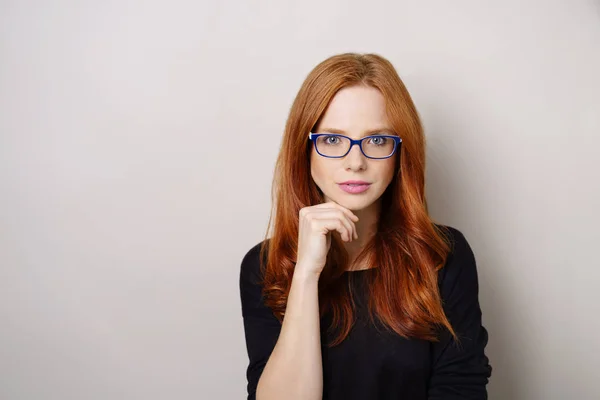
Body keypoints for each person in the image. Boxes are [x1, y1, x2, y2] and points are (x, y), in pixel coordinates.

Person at [239, 52, 492, 400]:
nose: (355, 162)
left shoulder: (443, 253)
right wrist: (306, 274)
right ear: (305, 149)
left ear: (400, 151)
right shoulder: (264, 266)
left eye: (377, 140)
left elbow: (461, 387)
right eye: (332, 140)